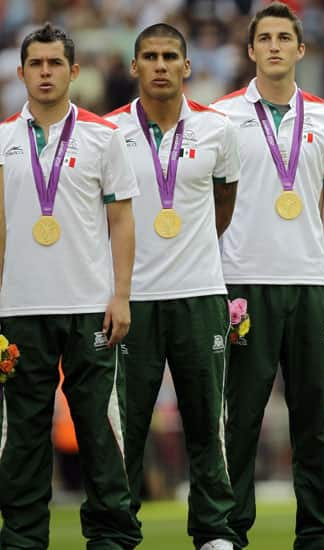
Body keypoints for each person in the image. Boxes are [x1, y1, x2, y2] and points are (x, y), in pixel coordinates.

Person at [210, 3, 324, 548]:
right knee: (242, 415)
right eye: (264, 39)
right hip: (242, 283)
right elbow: (208, 200)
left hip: (311, 281)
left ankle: (320, 531)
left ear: (301, 50)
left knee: (317, 416)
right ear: (250, 51)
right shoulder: (220, 117)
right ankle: (229, 530)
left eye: (284, 38)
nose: (274, 46)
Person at [0, 23, 141, 549]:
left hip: (89, 306)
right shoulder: (2, 139)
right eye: (35, 64)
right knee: (24, 435)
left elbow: (123, 221)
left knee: (99, 430)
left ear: (74, 72)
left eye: (54, 63)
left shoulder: (103, 137)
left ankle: (112, 536)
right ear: (20, 73)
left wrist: (121, 293)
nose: (44, 73)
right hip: (19, 307)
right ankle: (22, 538)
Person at [105, 23, 240, 550]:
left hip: (200, 293)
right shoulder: (108, 132)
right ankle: (117, 531)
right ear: (134, 66)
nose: (160, 65)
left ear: (187, 67)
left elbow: (222, 203)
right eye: (149, 56)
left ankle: (213, 532)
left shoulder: (218, 129)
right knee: (128, 427)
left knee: (207, 421)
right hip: (132, 298)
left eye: (170, 56)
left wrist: (193, 248)